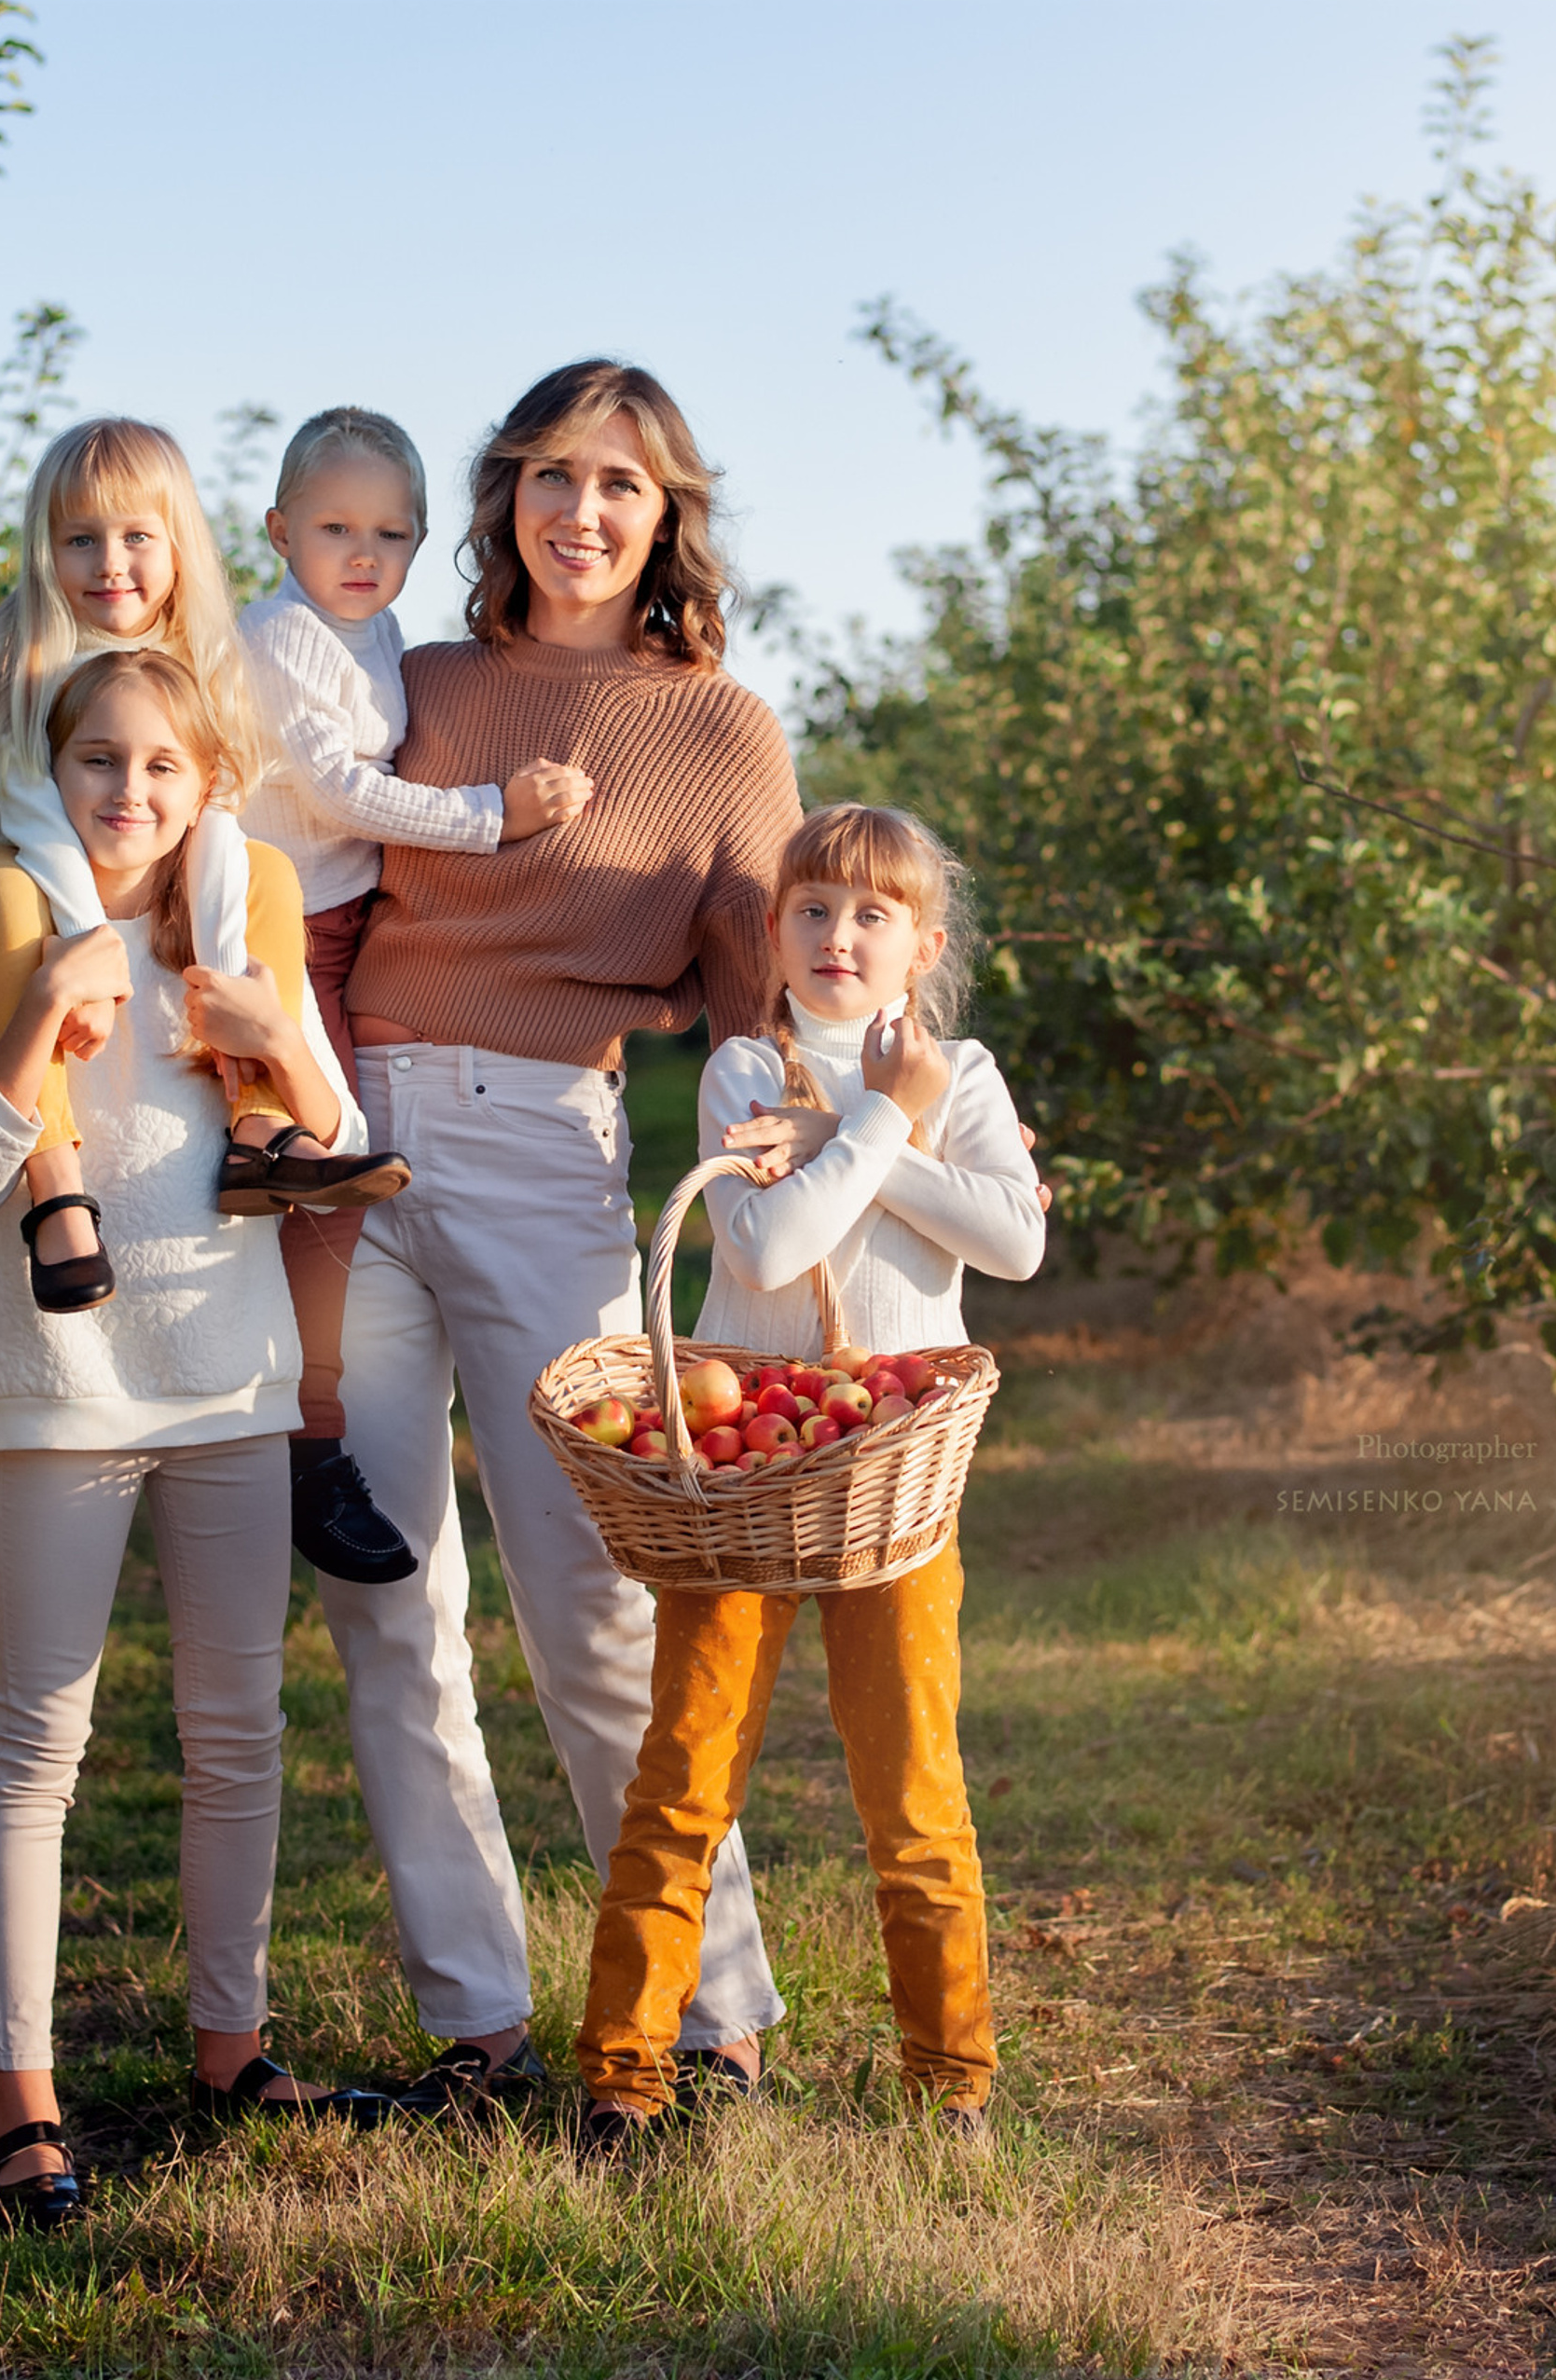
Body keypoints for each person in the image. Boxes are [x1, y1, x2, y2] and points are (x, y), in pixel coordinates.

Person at [324, 360, 800, 2120]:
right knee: (388, 1603)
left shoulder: (721, 728)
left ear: (667, 517)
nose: (580, 512)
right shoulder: (416, 683)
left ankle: (708, 2011)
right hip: (351, 1144)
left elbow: (766, 983)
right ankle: (479, 2027)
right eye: (550, 475)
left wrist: (867, 1109)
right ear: (505, 494)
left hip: (542, 1149)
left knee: (597, 1601)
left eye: (620, 484)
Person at [0, 647, 389, 2234]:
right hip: (61, 1379)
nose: (130, 791)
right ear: (50, 775)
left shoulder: (236, 929)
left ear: (206, 788)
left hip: (233, 1378)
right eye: (99, 761)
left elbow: (334, 1143)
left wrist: (277, 1035)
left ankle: (231, 2051)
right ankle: (23, 2100)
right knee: (38, 1739)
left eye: (163, 766)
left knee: (235, 1730)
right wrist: (42, 1016)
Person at [575, 804, 1045, 2154]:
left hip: (895, 1463)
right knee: (687, 1770)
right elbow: (771, 1250)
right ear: (775, 935)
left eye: (874, 914)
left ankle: (951, 2077)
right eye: (815, 910)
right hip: (751, 1457)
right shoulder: (742, 1067)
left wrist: (853, 1126)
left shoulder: (961, 1073)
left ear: (922, 946)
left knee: (914, 1786)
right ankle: (624, 2074)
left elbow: (1014, 1242)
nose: (842, 935)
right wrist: (884, 1127)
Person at [0, 417, 400, 1324]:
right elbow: (36, 825)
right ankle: (54, 1178)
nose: (109, 564)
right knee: (8, 893)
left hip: (99, 871)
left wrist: (225, 977)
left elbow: (214, 821)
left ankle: (259, 1123)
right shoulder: (23, 658)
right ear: (44, 552)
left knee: (266, 869)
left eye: (136, 536)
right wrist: (88, 963)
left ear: (178, 547)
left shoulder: (198, 659)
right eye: (79, 540)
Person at [240, 406, 593, 1583]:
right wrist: (494, 814)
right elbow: (342, 791)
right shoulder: (283, 637)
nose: (363, 553)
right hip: (282, 924)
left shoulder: (379, 632)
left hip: (341, 927)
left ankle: (286, 1423)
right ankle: (305, 1443)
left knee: (324, 1162)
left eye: (391, 534)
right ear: (279, 529)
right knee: (328, 1164)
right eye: (334, 528)